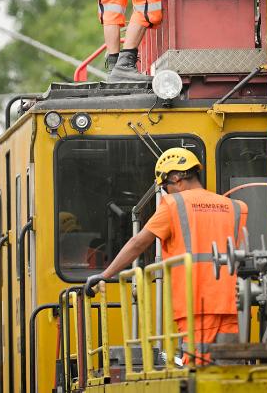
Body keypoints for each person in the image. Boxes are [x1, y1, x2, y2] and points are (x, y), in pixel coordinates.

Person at [85, 147, 246, 363]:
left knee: (200, 374)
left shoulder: (173, 205)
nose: (165, 192)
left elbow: (138, 243)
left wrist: (105, 275)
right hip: (232, 304)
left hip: (196, 304)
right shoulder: (234, 207)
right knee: (228, 372)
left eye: (164, 186)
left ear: (177, 178)